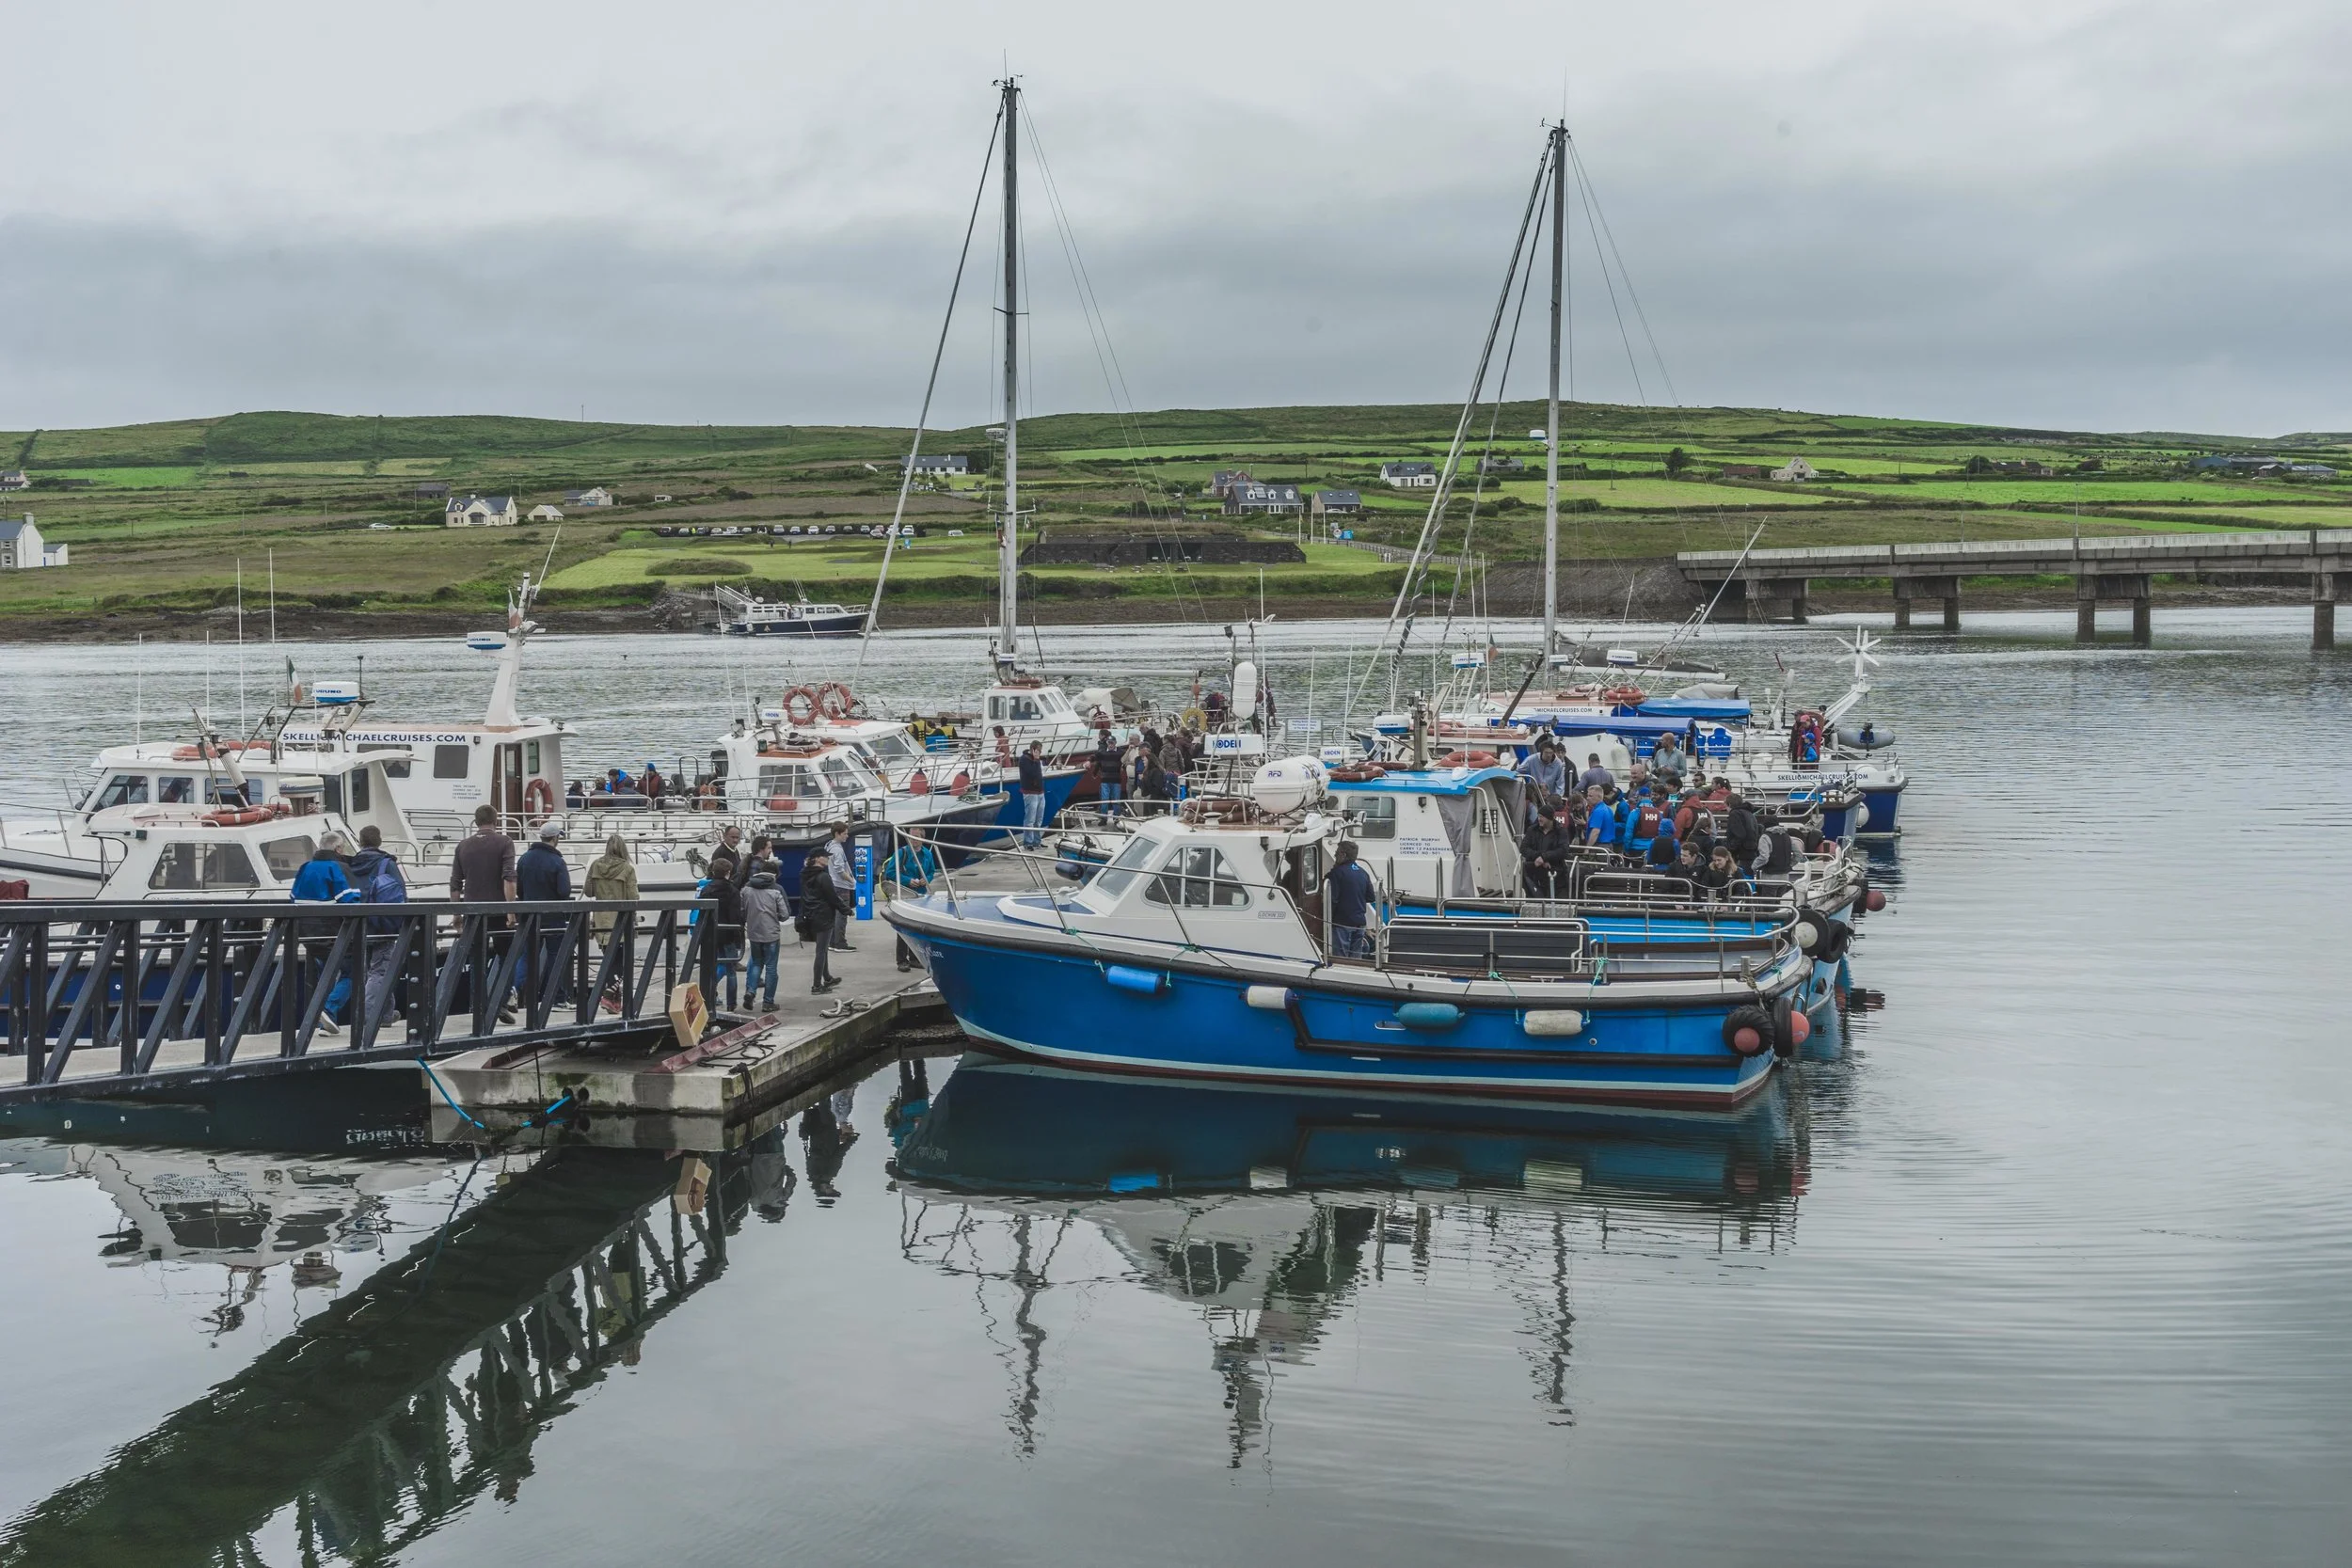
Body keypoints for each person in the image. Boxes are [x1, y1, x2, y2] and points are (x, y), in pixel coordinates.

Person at [291, 832, 359, 1031]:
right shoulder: (339, 868)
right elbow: (351, 901)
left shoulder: (305, 868)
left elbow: (293, 897)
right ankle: (329, 1010)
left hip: (306, 933)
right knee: (354, 972)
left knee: (326, 975)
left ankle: (324, 1023)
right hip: (333, 932)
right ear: (338, 849)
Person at [348, 825, 409, 1024]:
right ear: (379, 841)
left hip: (358, 924)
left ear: (360, 841)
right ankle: (371, 1015)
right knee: (380, 971)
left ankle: (385, 1014)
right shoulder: (386, 864)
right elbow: (401, 893)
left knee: (371, 971)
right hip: (383, 924)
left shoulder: (351, 864)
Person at [515, 821, 573, 1008]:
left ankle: (512, 993)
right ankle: (557, 998)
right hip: (553, 917)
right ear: (555, 838)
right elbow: (564, 891)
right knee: (556, 956)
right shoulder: (557, 861)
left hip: (529, 916)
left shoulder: (524, 859)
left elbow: (519, 890)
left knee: (526, 957)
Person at [798, 846, 845, 993]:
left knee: (822, 949)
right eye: (825, 856)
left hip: (811, 916)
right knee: (821, 951)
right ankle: (817, 985)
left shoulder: (805, 874)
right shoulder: (824, 876)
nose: (828, 858)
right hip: (824, 916)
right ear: (818, 858)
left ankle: (827, 977)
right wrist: (846, 909)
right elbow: (832, 897)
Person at [740, 864, 787, 1010]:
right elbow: (785, 915)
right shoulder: (776, 889)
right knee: (771, 968)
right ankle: (768, 1002)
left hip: (754, 933)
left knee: (756, 964)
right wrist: (776, 916)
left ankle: (751, 992)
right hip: (771, 934)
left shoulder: (746, 889)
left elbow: (742, 911)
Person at [448, 804, 516, 902]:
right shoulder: (505, 842)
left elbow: (455, 883)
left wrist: (456, 914)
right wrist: (511, 911)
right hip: (498, 909)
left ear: (476, 823)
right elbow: (509, 878)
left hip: (471, 909)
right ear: (495, 821)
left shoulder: (462, 845)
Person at [1326, 840, 1376, 959]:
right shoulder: (1363, 873)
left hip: (1342, 922)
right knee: (1355, 958)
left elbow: (1333, 900)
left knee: (1341, 959)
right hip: (1359, 923)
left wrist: (1328, 920)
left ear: (1343, 855)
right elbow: (1371, 897)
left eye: (1337, 853)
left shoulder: (1337, 873)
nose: (1335, 855)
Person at [584, 833, 638, 945]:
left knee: (607, 958)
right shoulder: (628, 868)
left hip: (601, 921)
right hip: (621, 921)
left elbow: (588, 892)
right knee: (621, 958)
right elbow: (633, 898)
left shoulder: (595, 865)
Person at [1521, 805, 1572, 896]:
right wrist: (1540, 858)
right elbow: (1524, 848)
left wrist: (1544, 857)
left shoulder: (1561, 831)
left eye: (1542, 817)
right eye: (1539, 816)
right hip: (1534, 872)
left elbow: (1563, 850)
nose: (1539, 819)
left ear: (1549, 818)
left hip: (1556, 872)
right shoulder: (1532, 830)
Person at [825, 822, 857, 952]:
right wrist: (851, 880)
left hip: (833, 884)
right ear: (837, 834)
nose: (847, 836)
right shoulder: (837, 849)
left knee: (834, 915)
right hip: (841, 885)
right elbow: (839, 869)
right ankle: (840, 943)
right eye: (844, 833)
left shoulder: (829, 845)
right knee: (842, 915)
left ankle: (832, 941)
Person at [1516, 736, 1566, 809]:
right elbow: (1518, 771)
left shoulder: (1558, 764)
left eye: (1551, 753)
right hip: (1534, 795)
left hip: (1549, 797)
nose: (1549, 755)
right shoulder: (1532, 759)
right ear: (1541, 752)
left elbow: (1560, 784)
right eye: (1546, 753)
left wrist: (1556, 799)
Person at [1017, 741, 1047, 849]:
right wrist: (1036, 759)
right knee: (1030, 819)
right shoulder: (1024, 759)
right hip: (1030, 792)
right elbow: (1032, 772)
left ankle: (1037, 841)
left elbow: (1039, 774)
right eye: (1038, 750)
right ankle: (1028, 842)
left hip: (1040, 792)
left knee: (1039, 819)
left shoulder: (1037, 761)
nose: (1040, 752)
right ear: (1033, 749)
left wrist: (1037, 760)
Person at [1092, 732, 1124, 816]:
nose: (1110, 745)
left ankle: (1117, 817)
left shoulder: (1121, 752)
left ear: (1115, 743)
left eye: (1112, 743)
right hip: (1105, 780)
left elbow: (1125, 760)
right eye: (1109, 743)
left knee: (1116, 800)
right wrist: (1089, 763)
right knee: (1104, 800)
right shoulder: (1102, 752)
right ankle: (1103, 818)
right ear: (1107, 743)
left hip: (1116, 780)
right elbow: (1095, 759)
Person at [1582, 786, 1619, 852]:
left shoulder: (1598, 811)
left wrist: (1587, 848)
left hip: (1599, 847)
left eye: (1590, 796)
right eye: (1587, 795)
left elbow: (1595, 832)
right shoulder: (1608, 809)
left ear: (1598, 797)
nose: (1587, 798)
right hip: (1608, 846)